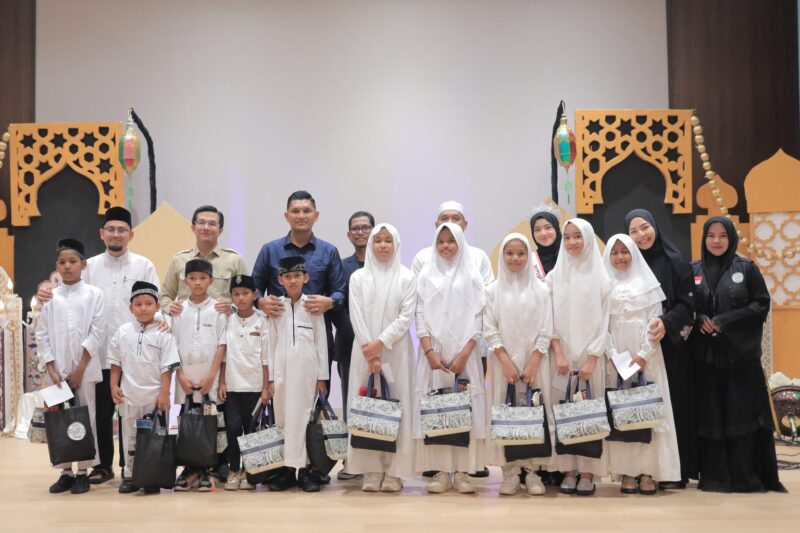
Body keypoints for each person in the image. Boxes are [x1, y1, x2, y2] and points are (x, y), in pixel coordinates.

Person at [36, 206, 161, 485]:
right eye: (111, 229)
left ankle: (136, 464)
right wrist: (42, 292)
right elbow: (64, 293)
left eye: (122, 230)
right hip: (99, 353)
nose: (116, 234)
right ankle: (102, 466)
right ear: (102, 234)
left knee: (134, 410)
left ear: (131, 234)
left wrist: (161, 323)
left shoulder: (144, 265)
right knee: (101, 412)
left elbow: (156, 302)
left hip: (136, 352)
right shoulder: (88, 265)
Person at [691, 216, 785, 493]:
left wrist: (724, 321)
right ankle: (715, 477)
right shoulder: (693, 269)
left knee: (740, 414)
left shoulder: (747, 268)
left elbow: (760, 305)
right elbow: (687, 306)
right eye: (711, 236)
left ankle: (745, 476)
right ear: (704, 238)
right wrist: (701, 319)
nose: (716, 241)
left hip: (740, 359)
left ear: (731, 238)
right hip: (706, 359)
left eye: (722, 235)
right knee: (712, 414)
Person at [602, 234, 681, 495]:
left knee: (648, 414)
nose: (621, 257)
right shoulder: (603, 287)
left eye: (626, 252)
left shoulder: (648, 287)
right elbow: (601, 327)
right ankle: (627, 472)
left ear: (634, 254)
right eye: (615, 252)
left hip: (647, 359)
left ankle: (648, 472)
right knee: (623, 415)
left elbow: (655, 324)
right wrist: (615, 354)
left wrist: (643, 355)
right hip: (617, 362)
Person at [413, 223, 487, 494]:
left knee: (466, 410)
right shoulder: (425, 275)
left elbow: (479, 316)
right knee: (438, 411)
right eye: (441, 241)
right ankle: (442, 471)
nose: (445, 246)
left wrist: (465, 352)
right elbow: (419, 315)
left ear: (460, 243)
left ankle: (465, 473)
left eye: (451, 241)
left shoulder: (472, 275)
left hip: (465, 355)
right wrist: (430, 352)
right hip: (433, 355)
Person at [625, 208, 697, 488]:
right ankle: (642, 468)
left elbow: (688, 304)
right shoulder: (628, 263)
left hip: (670, 346)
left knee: (673, 407)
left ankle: (673, 471)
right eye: (633, 231)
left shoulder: (675, 262)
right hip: (639, 349)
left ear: (655, 226)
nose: (641, 235)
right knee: (639, 410)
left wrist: (666, 323)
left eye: (645, 227)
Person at [252, 191, 347, 394]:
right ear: (286, 216)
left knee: (316, 397)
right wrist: (260, 302)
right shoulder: (270, 250)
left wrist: (329, 302)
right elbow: (254, 288)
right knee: (280, 396)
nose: (301, 215)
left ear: (316, 215)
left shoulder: (328, 251)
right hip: (279, 333)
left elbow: (341, 290)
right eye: (295, 211)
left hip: (317, 334)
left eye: (306, 210)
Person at [345, 223, 416, 492]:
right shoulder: (358, 278)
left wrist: (380, 344)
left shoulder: (407, 277)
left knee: (397, 407)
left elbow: (405, 317)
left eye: (388, 240)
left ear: (396, 245)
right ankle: (371, 470)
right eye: (378, 241)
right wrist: (369, 349)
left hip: (396, 351)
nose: (383, 245)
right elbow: (356, 314)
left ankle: (395, 472)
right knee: (366, 407)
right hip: (363, 351)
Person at [483, 233, 553, 496]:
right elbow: (489, 329)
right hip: (504, 366)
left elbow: (547, 327)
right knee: (506, 417)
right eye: (509, 253)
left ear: (528, 257)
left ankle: (533, 472)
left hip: (536, 363)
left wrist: (535, 360)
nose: (515, 258)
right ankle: (510, 472)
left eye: (521, 253)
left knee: (534, 415)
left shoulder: (542, 289)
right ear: (502, 256)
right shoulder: (491, 290)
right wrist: (504, 361)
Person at [547, 219, 611, 496]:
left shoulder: (602, 277)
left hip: (590, 360)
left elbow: (605, 322)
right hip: (560, 359)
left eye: (577, 236)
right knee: (562, 413)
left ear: (587, 238)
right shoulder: (553, 276)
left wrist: (592, 358)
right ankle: (568, 470)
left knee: (588, 415)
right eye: (568, 237)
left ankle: (587, 472)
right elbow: (546, 317)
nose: (572, 242)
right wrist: (559, 352)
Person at [36, 238, 104, 495]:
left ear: (83, 264)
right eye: (62, 262)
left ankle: (84, 471)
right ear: (56, 266)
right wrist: (52, 368)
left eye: (72, 262)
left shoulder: (94, 294)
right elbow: (41, 334)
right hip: (57, 372)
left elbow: (97, 332)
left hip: (84, 370)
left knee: (88, 418)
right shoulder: (50, 297)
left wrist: (80, 368)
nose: (67, 267)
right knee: (59, 419)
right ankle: (65, 471)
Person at [108, 281, 180, 494]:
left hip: (154, 397)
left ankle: (152, 475)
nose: (143, 308)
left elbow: (167, 366)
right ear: (131, 308)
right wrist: (113, 385)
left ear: (158, 306)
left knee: (155, 437)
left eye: (149, 303)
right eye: (138, 304)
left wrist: (165, 392)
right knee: (129, 435)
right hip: (128, 396)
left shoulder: (163, 333)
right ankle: (130, 475)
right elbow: (115, 362)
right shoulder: (122, 331)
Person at [266, 256, 329, 493]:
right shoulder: (276, 307)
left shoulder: (313, 306)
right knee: (282, 418)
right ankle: (286, 470)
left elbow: (321, 341)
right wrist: (271, 378)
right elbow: (270, 343)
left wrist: (322, 377)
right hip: (281, 372)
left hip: (306, 373)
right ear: (280, 280)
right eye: (287, 277)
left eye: (296, 276)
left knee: (304, 418)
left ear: (306, 277)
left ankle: (305, 470)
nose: (292, 281)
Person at [171, 258, 227, 492]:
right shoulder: (178, 310)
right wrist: (180, 376)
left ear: (211, 280)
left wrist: (212, 376)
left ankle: (208, 468)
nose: (197, 282)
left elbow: (222, 345)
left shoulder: (218, 309)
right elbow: (171, 344)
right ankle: (190, 468)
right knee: (187, 423)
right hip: (185, 379)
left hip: (208, 381)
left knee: (209, 422)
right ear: (185, 280)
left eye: (202, 278)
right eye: (192, 278)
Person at [219, 275, 270, 491]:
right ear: (231, 296)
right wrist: (221, 382)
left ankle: (250, 472)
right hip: (232, 386)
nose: (241, 298)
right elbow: (223, 355)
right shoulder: (227, 321)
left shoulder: (262, 321)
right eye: (236, 294)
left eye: (245, 293)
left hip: (255, 387)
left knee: (251, 430)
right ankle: (233, 469)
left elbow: (267, 358)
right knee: (232, 429)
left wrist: (267, 387)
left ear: (255, 295)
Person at [333, 210, 374, 481]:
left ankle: (379, 456)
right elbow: (337, 306)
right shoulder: (343, 266)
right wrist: (359, 336)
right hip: (349, 344)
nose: (361, 232)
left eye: (365, 227)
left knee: (381, 400)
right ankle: (352, 460)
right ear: (349, 235)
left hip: (382, 347)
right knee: (352, 400)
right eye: (355, 229)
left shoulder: (385, 263)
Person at [160, 205, 249, 317]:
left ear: (220, 230)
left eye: (212, 224)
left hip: (223, 328)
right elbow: (165, 295)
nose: (206, 227)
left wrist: (232, 309)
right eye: (201, 222)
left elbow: (247, 297)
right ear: (193, 228)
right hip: (186, 327)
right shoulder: (179, 260)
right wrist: (170, 307)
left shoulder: (235, 260)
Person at [412, 200, 494, 284]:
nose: (450, 222)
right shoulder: (422, 258)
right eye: (444, 219)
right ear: (436, 225)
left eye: (455, 219)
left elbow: (488, 291)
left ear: (465, 224)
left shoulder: (479, 257)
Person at [529, 210, 561, 277]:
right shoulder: (531, 261)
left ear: (556, 228)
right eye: (537, 230)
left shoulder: (569, 255)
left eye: (548, 227)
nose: (543, 233)